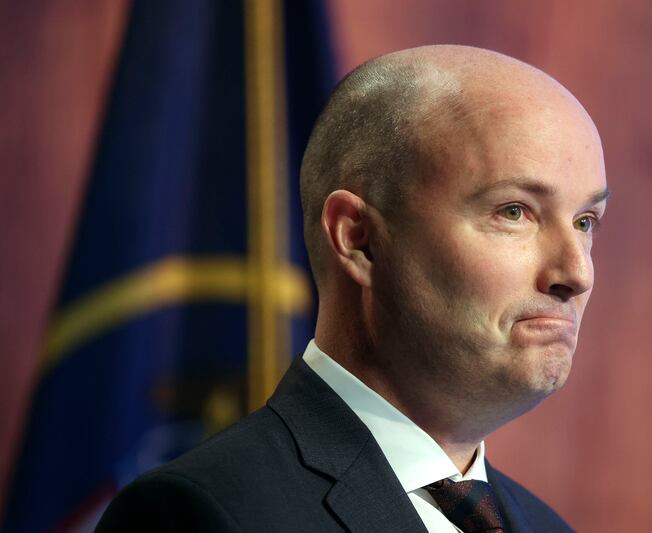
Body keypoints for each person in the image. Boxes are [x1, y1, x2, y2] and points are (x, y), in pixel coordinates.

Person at [97, 44, 608, 533]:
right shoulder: (203, 513)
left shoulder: (548, 527)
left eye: (585, 221)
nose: (576, 273)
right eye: (514, 212)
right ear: (357, 238)